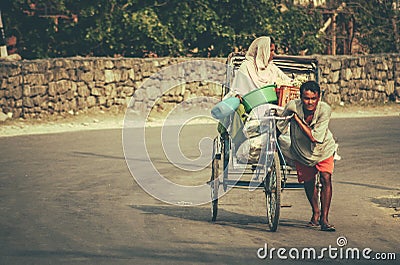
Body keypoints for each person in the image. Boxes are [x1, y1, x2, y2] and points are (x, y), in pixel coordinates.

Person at [276, 80, 337, 232]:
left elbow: (315, 137)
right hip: (301, 151)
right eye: (306, 98)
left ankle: (324, 218)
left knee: (326, 178)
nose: (309, 102)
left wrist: (296, 119)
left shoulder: (324, 110)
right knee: (308, 182)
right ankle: (315, 212)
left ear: (319, 97)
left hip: (323, 149)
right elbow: (280, 126)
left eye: (313, 99)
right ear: (301, 97)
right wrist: (271, 145)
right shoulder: (292, 106)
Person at [221, 36, 291, 148]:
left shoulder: (272, 68)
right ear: (263, 51)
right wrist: (237, 96)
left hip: (272, 109)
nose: (273, 54)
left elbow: (287, 81)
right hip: (251, 108)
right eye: (271, 51)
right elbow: (236, 90)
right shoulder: (246, 67)